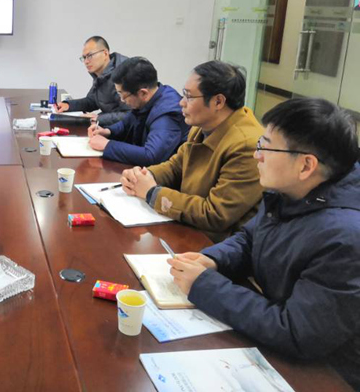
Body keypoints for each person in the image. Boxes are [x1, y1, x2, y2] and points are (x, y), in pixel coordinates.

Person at [167, 98, 360, 390]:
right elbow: (250, 238)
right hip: (276, 339)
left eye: (266, 147)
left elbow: (297, 332)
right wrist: (213, 259)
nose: (257, 155)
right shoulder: (296, 190)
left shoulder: (345, 237)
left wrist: (205, 285)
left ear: (306, 165)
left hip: (326, 374)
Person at [121, 61, 263, 242]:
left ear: (218, 101)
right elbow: (176, 166)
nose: (181, 102)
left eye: (189, 96)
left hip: (215, 244)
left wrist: (152, 193)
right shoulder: (202, 125)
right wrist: (142, 176)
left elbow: (215, 214)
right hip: (188, 227)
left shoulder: (247, 145)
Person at [87, 57, 189, 165]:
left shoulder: (167, 114)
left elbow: (151, 156)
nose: (122, 100)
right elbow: (126, 124)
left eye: (123, 95)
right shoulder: (148, 99)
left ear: (143, 93)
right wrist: (108, 131)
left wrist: (107, 145)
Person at [55, 36, 129, 125]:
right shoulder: (100, 75)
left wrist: (98, 118)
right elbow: (91, 101)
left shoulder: (124, 74)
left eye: (90, 56)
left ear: (105, 53)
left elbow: (129, 115)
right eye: (84, 57)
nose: (86, 62)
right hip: (111, 127)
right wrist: (68, 105)